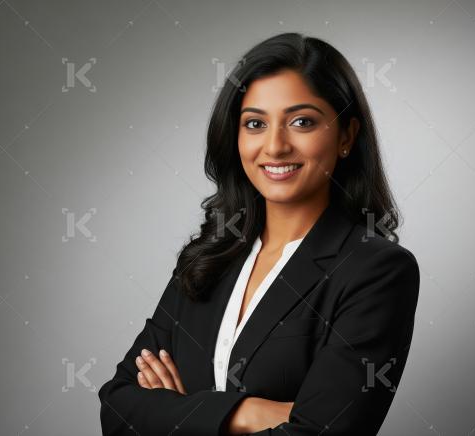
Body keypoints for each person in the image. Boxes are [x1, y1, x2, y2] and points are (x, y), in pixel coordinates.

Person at [98, 32, 420, 435]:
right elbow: (118, 408)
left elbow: (322, 433)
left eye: (302, 122)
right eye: (255, 123)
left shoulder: (376, 271)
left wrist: (176, 414)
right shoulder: (209, 257)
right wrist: (248, 413)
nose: (275, 146)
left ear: (346, 136)